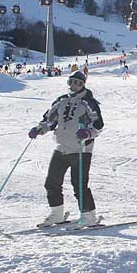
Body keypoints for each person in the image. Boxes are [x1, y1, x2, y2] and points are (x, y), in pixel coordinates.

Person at [28, 71, 104, 227]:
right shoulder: (61, 100)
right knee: (51, 182)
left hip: (81, 149)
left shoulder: (89, 102)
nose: (74, 86)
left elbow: (98, 124)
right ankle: (57, 214)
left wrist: (88, 133)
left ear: (83, 85)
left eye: (79, 83)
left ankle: (88, 216)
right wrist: (39, 129)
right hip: (62, 147)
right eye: (72, 82)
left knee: (79, 185)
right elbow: (50, 119)